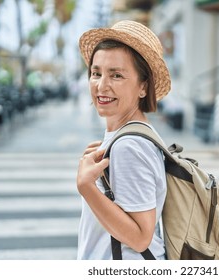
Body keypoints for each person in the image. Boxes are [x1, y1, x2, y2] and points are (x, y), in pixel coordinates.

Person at [76, 20, 171, 260]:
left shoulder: (129, 145)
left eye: (116, 75)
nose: (101, 85)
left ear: (142, 87)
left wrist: (86, 186)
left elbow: (141, 237)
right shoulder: (130, 135)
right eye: (96, 73)